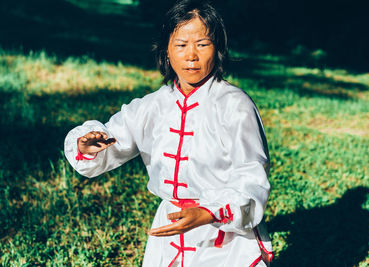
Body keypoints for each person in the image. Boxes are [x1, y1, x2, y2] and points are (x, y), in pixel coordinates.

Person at [64, 0, 273, 266]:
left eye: (202, 44)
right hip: (170, 228)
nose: (191, 55)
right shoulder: (152, 106)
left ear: (218, 48)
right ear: (166, 51)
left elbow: (251, 175)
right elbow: (111, 137)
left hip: (224, 234)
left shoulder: (235, 105)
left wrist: (210, 212)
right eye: (181, 45)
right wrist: (88, 143)